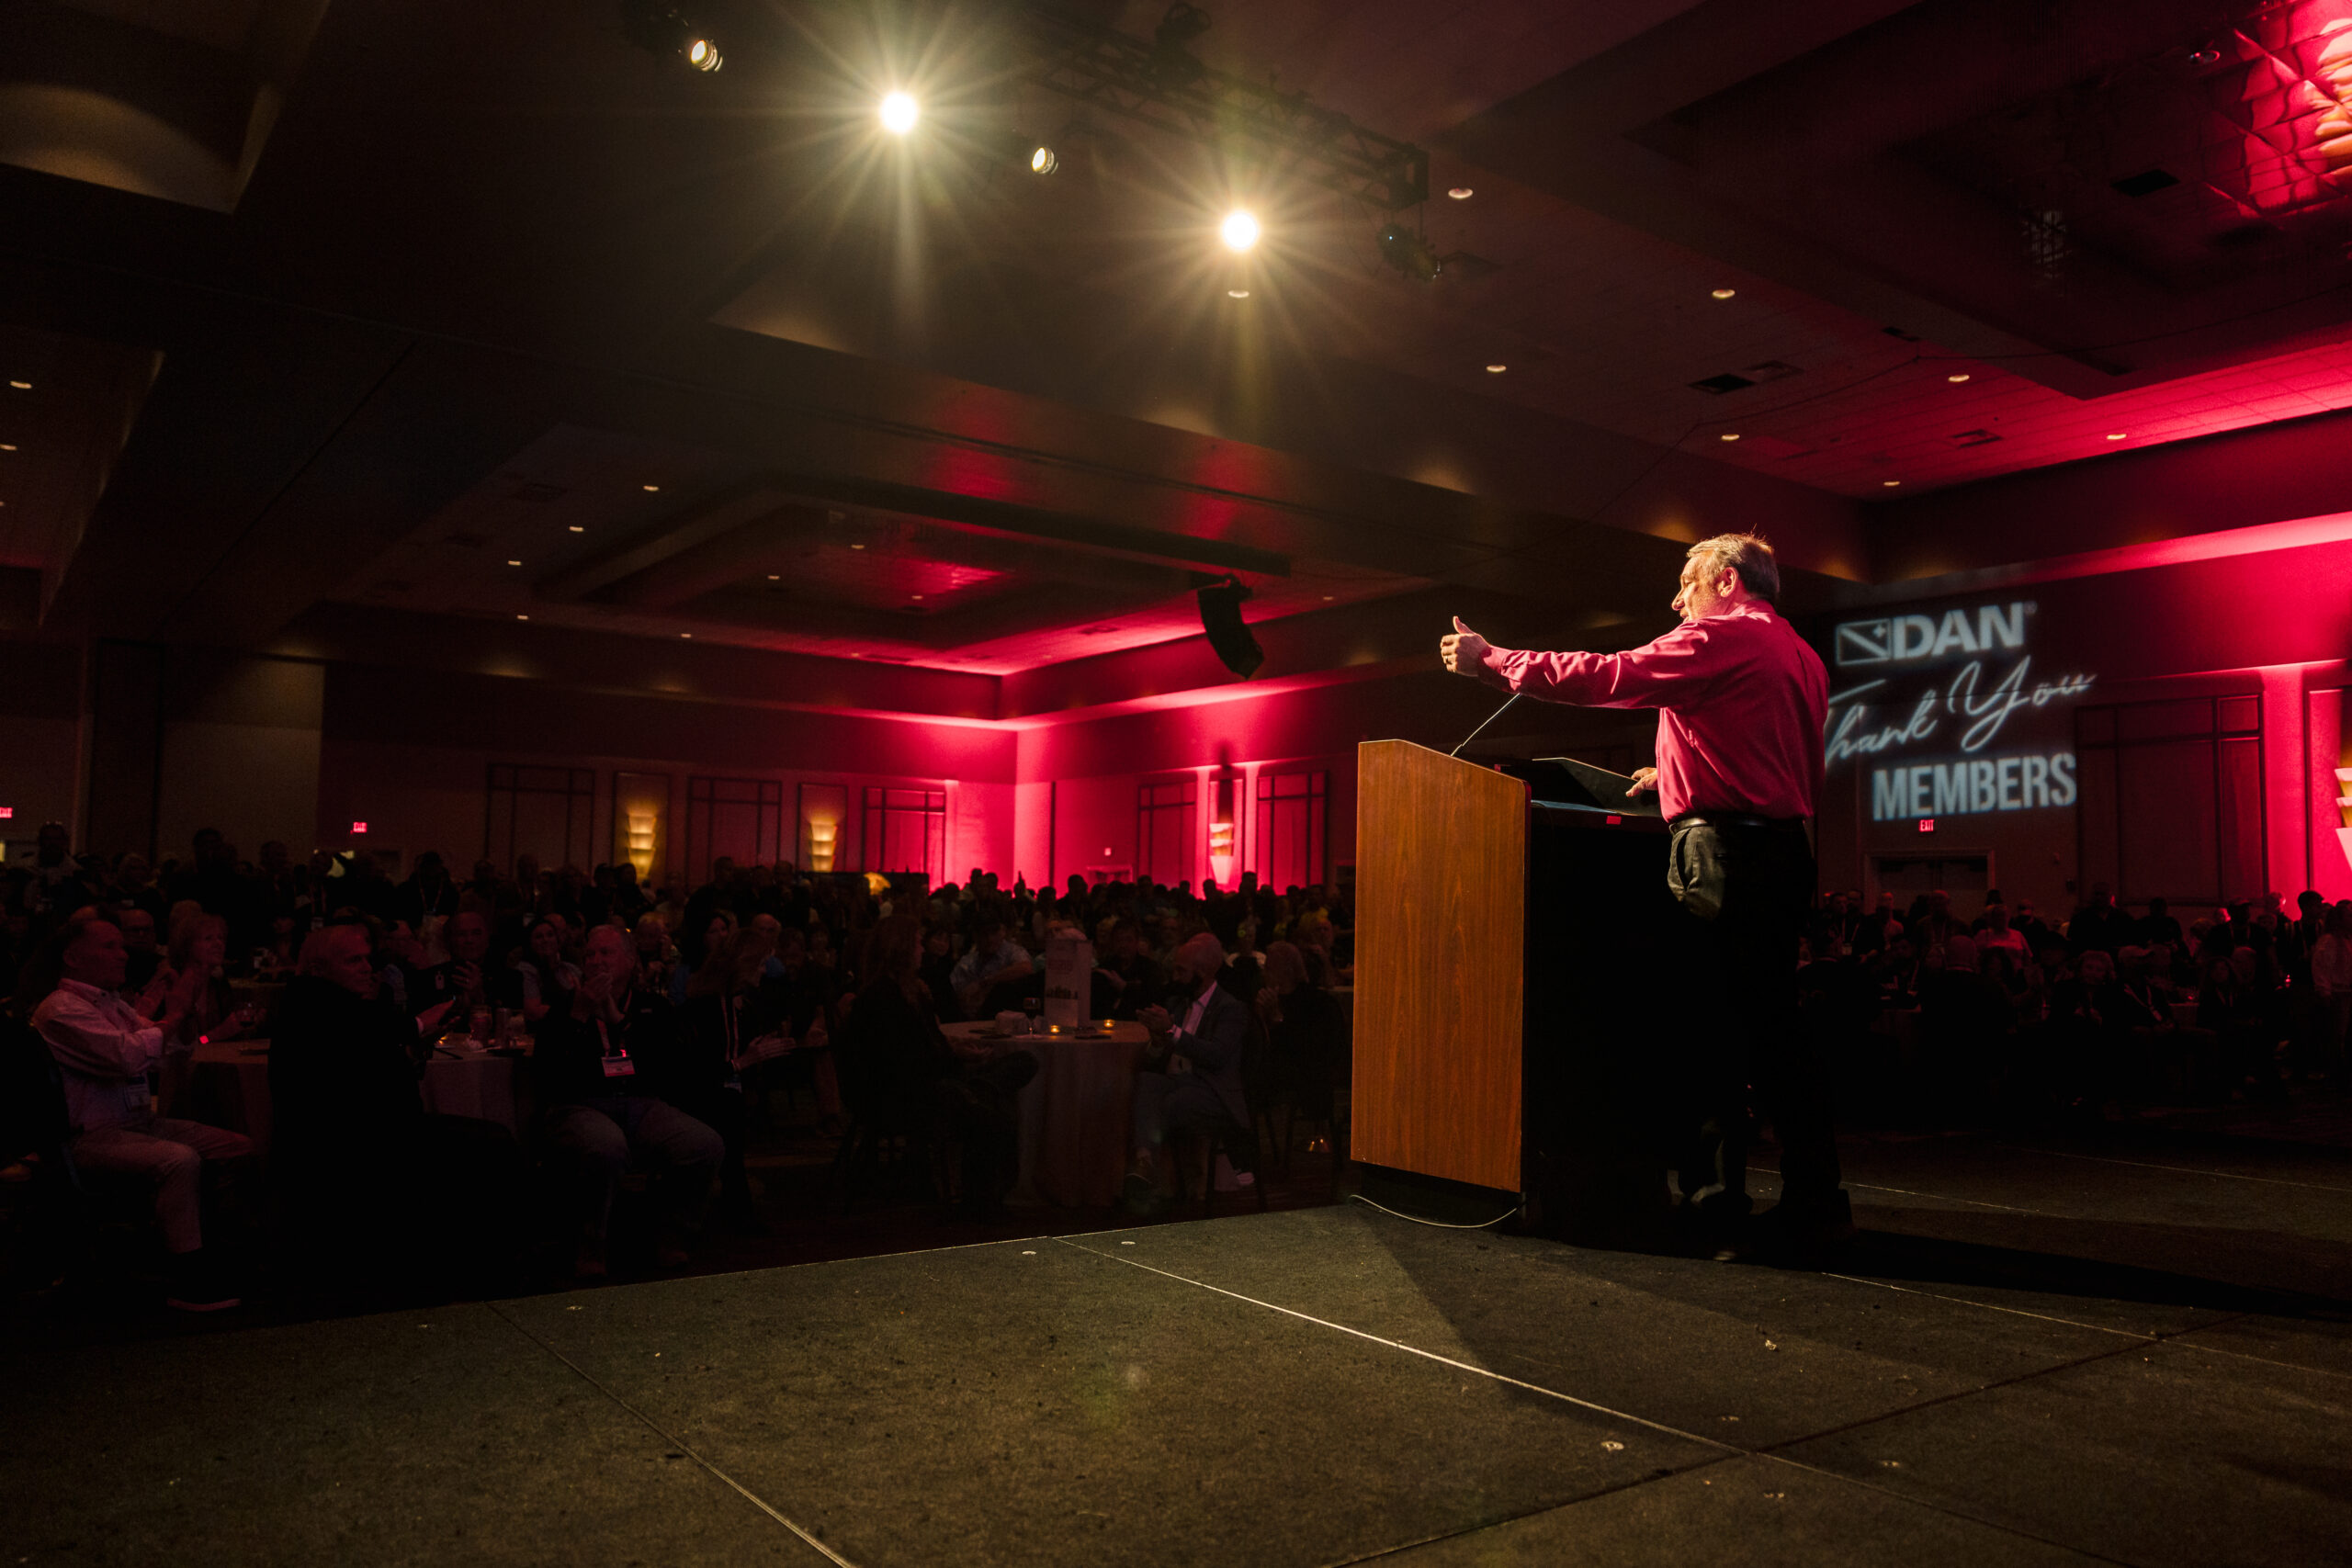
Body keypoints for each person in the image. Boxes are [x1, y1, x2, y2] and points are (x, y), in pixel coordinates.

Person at [1442, 531, 1849, 1257]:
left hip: (1722, 856)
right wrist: (1676, 773)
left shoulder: (1721, 635)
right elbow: (1762, 748)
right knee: (1777, 1031)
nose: (1676, 598)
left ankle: (1715, 1205)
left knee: (1713, 1032)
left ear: (1726, 579)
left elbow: (1611, 674)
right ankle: (1817, 1198)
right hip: (1783, 851)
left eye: (1687, 580)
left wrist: (1493, 662)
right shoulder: (1801, 655)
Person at [269, 924, 525, 1296]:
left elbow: (369, 1059)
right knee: (494, 1144)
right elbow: (365, 1040)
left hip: (370, 1132)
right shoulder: (316, 1003)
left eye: (366, 959)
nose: (365, 968)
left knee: (487, 1141)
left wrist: (412, 1041)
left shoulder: (335, 1003)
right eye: (352, 960)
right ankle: (495, 1269)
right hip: (348, 1143)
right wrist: (419, 1023)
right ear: (319, 968)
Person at [21, 908, 253, 1310]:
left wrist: (172, 1021)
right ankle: (186, 1276)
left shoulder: (109, 1003)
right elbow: (129, 1056)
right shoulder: (61, 1009)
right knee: (178, 1160)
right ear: (73, 958)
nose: (124, 954)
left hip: (137, 1123)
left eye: (121, 945)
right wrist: (175, 1013)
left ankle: (222, 1252)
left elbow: (163, 1053)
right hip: (87, 1138)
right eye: (109, 946)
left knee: (238, 1147)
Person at [534, 925, 722, 1279]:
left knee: (704, 1144)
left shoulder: (651, 1006)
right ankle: (592, 1245)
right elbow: (549, 1072)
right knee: (606, 1145)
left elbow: (664, 1066)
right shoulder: (563, 1007)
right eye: (590, 954)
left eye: (606, 953)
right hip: (581, 1105)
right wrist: (578, 1015)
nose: (596, 961)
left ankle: (672, 1236)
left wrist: (617, 1020)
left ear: (630, 959)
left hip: (640, 1103)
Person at [1125, 932, 1257, 1213]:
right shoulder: (1178, 1002)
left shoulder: (1230, 1008)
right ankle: (1145, 1163)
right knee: (1146, 1083)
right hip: (1180, 1082)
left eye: (1181, 970)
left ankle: (1161, 1187)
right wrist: (1158, 1041)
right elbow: (1154, 1060)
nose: (1175, 976)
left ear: (1203, 972)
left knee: (1172, 1102)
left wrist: (1172, 1031)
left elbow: (1216, 1056)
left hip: (1213, 1091)